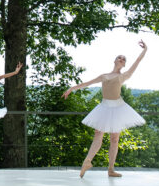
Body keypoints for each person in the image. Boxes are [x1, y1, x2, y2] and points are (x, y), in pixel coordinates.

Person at [62, 40, 148, 178]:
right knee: (98, 134)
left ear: (124, 64)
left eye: (124, 59)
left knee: (114, 139)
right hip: (104, 107)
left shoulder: (123, 76)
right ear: (115, 60)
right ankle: (87, 161)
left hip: (118, 108)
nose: (121, 59)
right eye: (119, 57)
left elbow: (137, 62)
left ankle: (111, 169)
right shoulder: (104, 76)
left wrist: (145, 50)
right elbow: (88, 83)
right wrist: (72, 88)